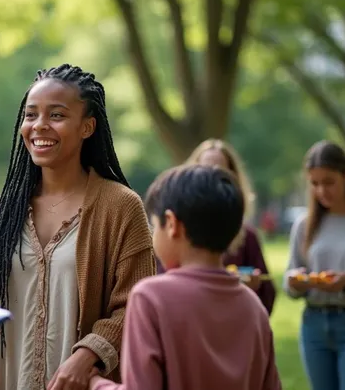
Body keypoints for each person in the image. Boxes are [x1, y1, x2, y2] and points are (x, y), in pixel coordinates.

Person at [0, 64, 155, 390]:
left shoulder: (121, 207)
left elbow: (135, 304)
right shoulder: (4, 212)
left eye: (57, 116)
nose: (39, 126)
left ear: (87, 127)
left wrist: (88, 354)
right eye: (31, 115)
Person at [90, 165, 281, 390]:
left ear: (171, 224)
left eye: (154, 224)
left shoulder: (150, 298)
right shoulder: (253, 307)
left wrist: (95, 383)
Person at [157, 138, 277, 315]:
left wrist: (250, 288)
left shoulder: (247, 236)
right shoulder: (175, 231)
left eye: (220, 170)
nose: (211, 178)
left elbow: (266, 295)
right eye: (204, 169)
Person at [284, 140, 345, 390]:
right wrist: (296, 282)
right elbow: (289, 283)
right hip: (314, 326)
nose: (321, 191)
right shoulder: (304, 226)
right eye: (315, 184)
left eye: (329, 182)